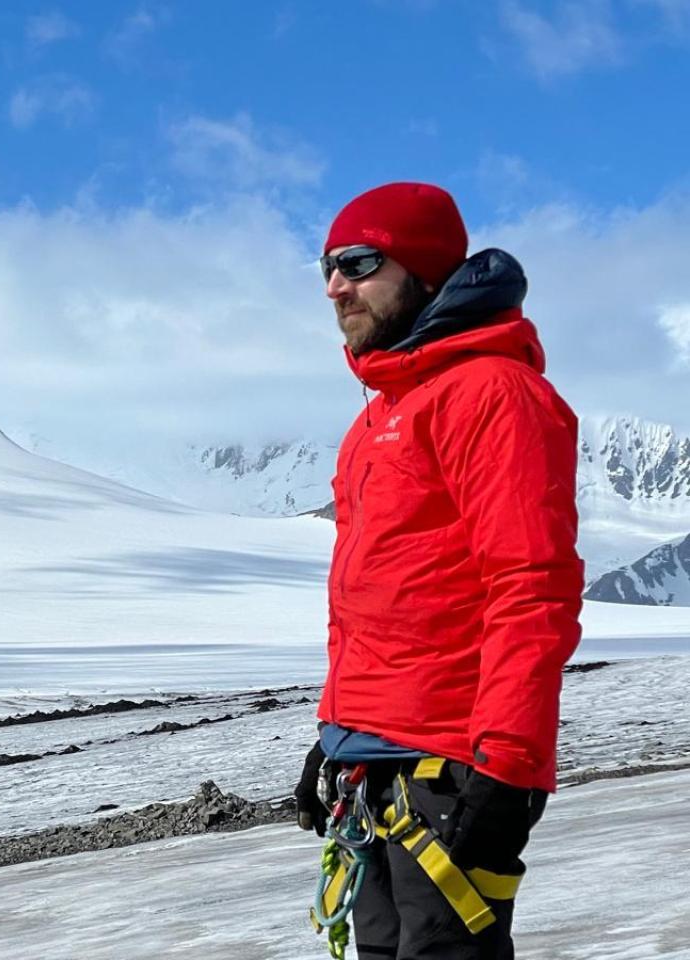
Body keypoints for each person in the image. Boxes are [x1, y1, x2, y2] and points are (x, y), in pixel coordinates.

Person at [293, 182, 584, 959]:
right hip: (374, 761)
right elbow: (368, 600)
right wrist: (336, 733)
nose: (334, 286)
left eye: (359, 262)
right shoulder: (376, 417)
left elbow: (533, 587)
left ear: (421, 269)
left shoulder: (494, 393)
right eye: (327, 265)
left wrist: (508, 766)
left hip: (454, 762)